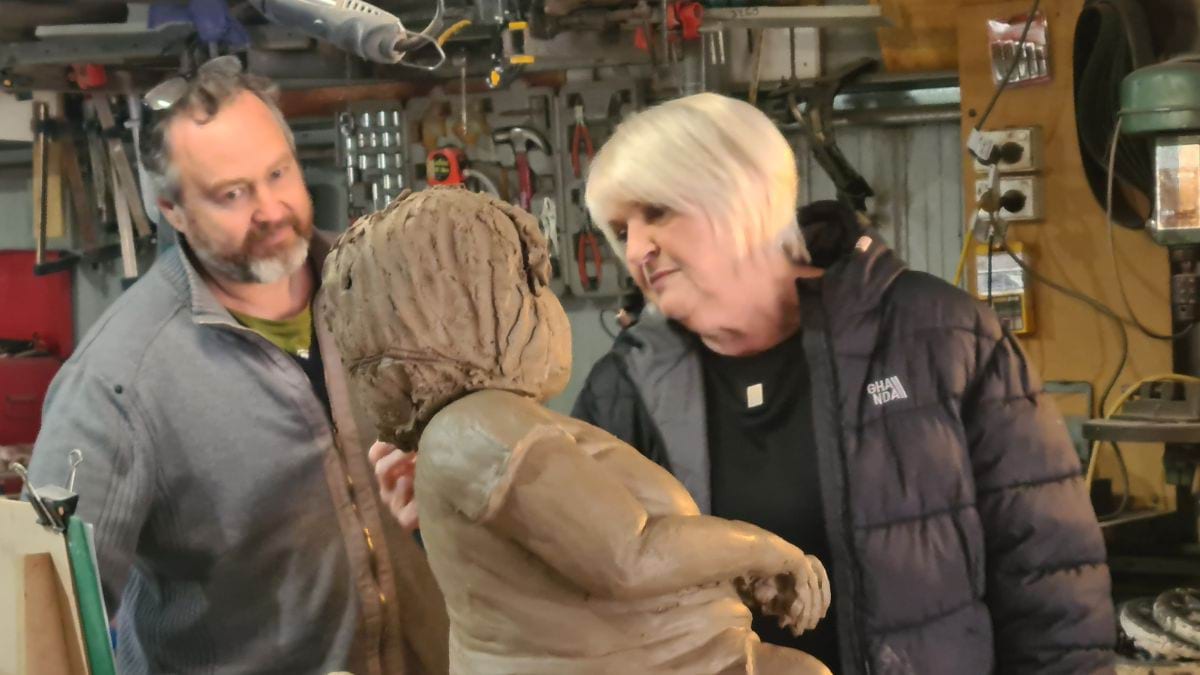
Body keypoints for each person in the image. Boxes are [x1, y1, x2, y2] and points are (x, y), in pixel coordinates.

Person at [571, 93, 1116, 674]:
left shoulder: (936, 334)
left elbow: (1047, 576)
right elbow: (583, 602)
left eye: (656, 212)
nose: (636, 250)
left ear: (740, 195)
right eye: (621, 228)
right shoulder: (624, 389)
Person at [26, 56, 448, 674]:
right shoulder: (119, 380)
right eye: (232, 194)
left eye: (279, 173)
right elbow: (41, 618)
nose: (271, 209)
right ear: (171, 210)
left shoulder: (384, 288)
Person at [324, 186, 833, 674]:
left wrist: (733, 574)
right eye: (530, 282)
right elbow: (628, 556)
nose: (550, 306)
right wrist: (767, 552)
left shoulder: (490, 423)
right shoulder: (475, 428)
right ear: (468, 311)